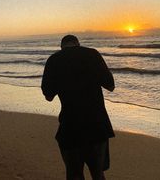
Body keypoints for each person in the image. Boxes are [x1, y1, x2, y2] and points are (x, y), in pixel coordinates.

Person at [41, 35, 115, 180]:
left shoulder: (54, 60)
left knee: (74, 174)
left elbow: (48, 96)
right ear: (78, 44)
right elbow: (111, 86)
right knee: (98, 173)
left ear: (61, 46)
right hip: (97, 125)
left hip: (70, 127)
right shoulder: (92, 54)